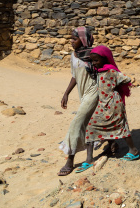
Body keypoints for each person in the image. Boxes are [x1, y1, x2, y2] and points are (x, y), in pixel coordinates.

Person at [84, 45, 139, 163]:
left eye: (96, 60)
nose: (94, 63)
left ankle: (133, 150)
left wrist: (115, 88)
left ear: (105, 59)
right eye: (92, 60)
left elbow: (127, 79)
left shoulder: (111, 71)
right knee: (91, 127)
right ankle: (89, 159)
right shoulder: (98, 72)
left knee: (121, 127)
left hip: (114, 104)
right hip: (103, 104)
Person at [58, 27, 99, 176]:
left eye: (74, 39)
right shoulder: (74, 55)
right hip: (83, 94)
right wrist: (66, 93)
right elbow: (75, 75)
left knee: (76, 123)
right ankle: (90, 156)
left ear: (82, 40)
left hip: (94, 92)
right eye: (71, 39)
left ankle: (70, 159)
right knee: (88, 124)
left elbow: (105, 70)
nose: (71, 41)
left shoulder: (94, 55)